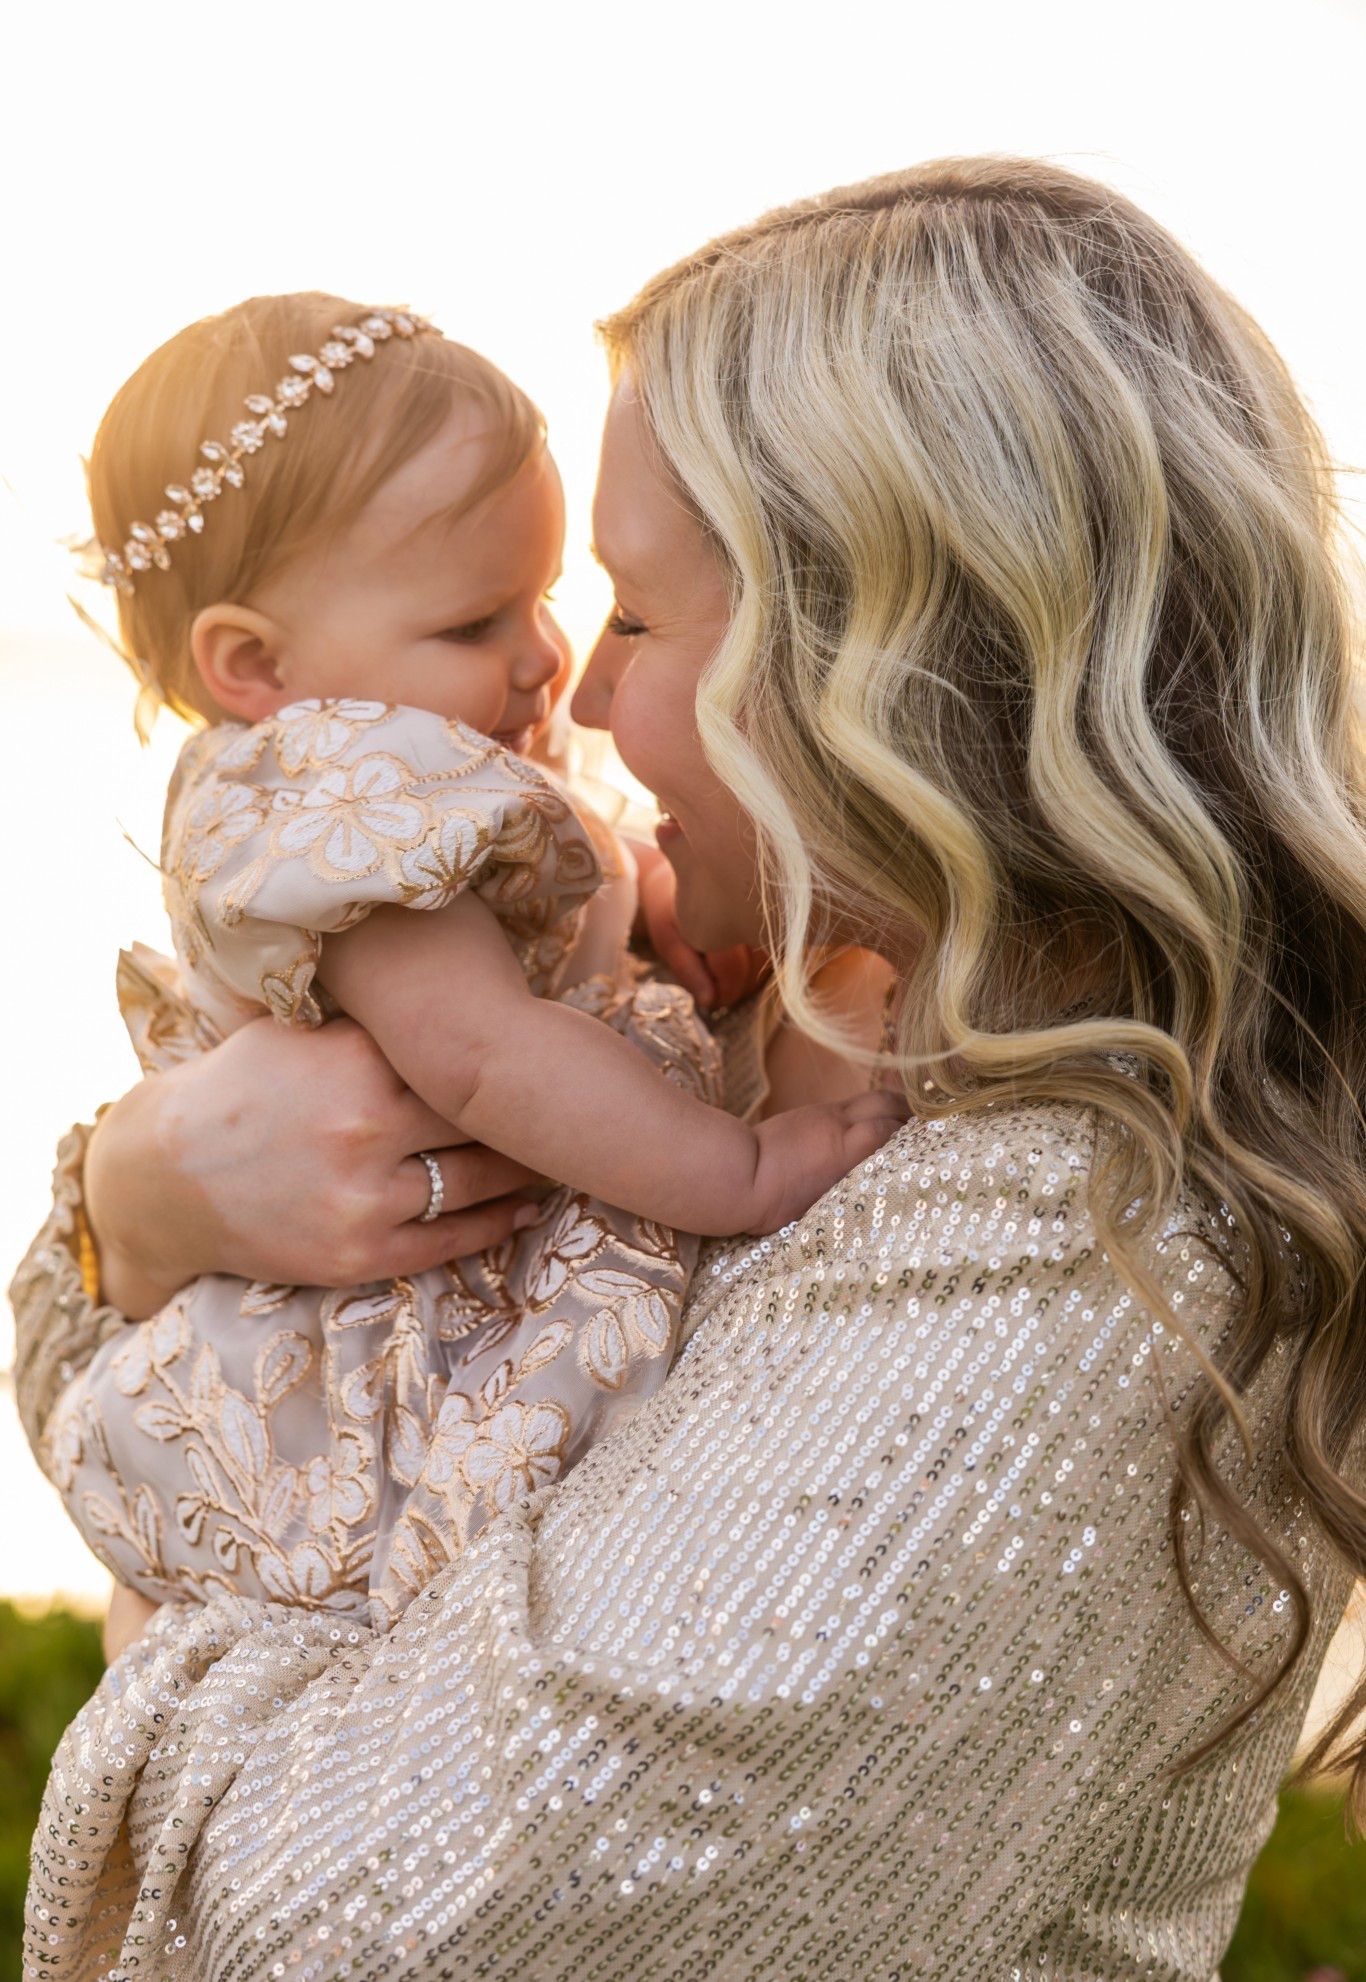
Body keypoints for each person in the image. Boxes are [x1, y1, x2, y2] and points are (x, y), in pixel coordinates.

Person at [15, 157, 1366, 1982]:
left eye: (635, 616)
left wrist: (162, 1624)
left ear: (874, 653)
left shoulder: (1065, 1252)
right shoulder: (774, 1025)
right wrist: (136, 1202)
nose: (576, 699)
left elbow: (336, 1968)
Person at [39, 292, 897, 1629]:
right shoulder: (331, 796)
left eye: (545, 598)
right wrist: (739, 1172)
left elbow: (539, 903)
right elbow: (484, 1054)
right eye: (474, 624)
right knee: (367, 1591)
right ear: (254, 664)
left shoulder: (413, 768)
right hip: (371, 1348)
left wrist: (642, 891)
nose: (547, 658)